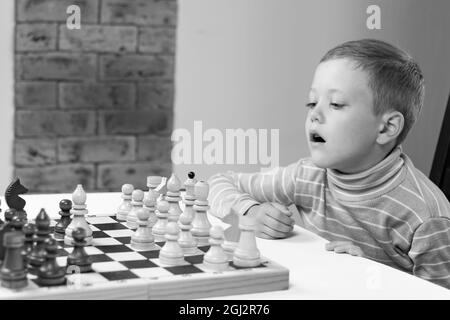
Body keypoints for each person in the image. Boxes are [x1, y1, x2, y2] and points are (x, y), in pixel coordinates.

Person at [208, 39, 450, 289]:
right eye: (312, 103)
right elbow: (218, 183)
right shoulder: (307, 176)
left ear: (387, 127)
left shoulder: (426, 219)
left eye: (336, 104)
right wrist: (251, 212)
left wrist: (370, 275)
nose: (315, 114)